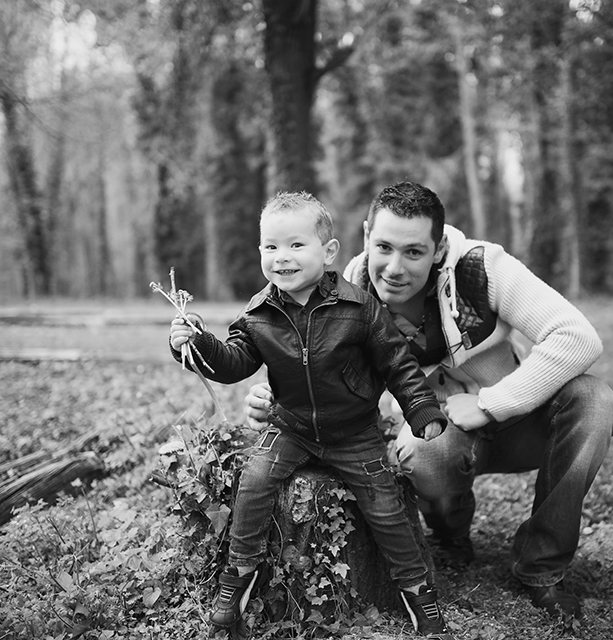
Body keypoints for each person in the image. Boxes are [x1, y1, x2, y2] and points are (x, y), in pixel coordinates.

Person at [245, 181, 613, 620]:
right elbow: (313, 375)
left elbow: (578, 337)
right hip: (440, 431)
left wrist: (491, 403)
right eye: (383, 247)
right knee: (426, 451)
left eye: (414, 252)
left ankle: (542, 567)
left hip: (520, 420)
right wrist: (278, 398)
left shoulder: (483, 267)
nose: (394, 268)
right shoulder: (343, 293)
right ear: (366, 234)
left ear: (439, 248)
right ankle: (449, 530)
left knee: (594, 400)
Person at [169, 191, 455, 639]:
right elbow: (233, 361)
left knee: (385, 507)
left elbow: (396, 361)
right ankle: (235, 586)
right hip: (292, 426)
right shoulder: (259, 313)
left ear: (329, 252)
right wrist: (195, 343)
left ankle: (419, 595)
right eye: (271, 247)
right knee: (255, 482)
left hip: (355, 431)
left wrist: (420, 408)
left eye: (296, 245)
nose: (282, 257)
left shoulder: (359, 307)